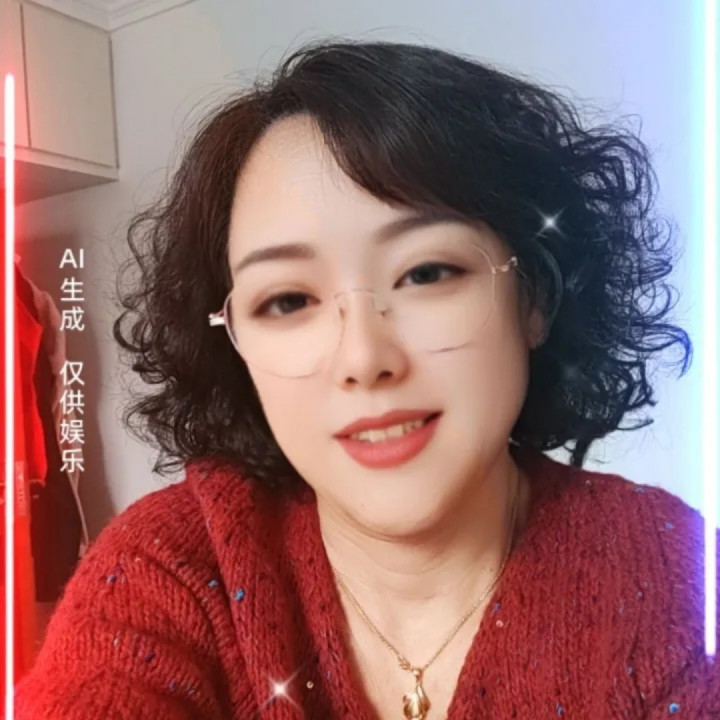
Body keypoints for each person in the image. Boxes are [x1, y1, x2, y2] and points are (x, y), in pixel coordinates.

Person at [15, 38, 718, 719]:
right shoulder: (173, 568)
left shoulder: (666, 573)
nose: (362, 359)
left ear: (532, 297)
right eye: (287, 301)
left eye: (426, 273)